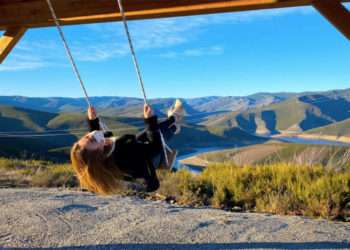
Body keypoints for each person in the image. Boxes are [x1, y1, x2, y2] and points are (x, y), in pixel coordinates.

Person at [70, 99, 184, 195]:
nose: (92, 134)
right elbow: (155, 147)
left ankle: (174, 124)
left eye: (86, 136)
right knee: (154, 131)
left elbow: (93, 142)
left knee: (147, 133)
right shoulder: (125, 156)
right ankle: (175, 119)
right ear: (98, 154)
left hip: (135, 151)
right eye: (92, 138)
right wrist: (150, 121)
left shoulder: (99, 153)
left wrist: (93, 122)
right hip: (151, 159)